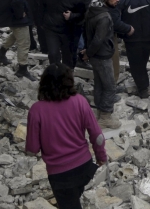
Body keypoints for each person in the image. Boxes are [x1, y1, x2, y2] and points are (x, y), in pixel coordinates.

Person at [26, 64, 108, 209]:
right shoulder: (80, 101)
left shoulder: (36, 110)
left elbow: (33, 148)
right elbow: (97, 136)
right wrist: (101, 157)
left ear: (43, 83)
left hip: (60, 175)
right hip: (85, 168)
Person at [83, 0, 133, 128]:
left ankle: (99, 112)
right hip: (102, 55)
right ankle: (105, 116)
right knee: (110, 86)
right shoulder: (104, 17)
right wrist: (88, 53)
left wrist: (88, 52)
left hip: (96, 55)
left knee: (99, 83)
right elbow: (99, 39)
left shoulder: (93, 9)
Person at [39, 0, 86, 68]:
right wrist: (40, 23)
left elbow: (82, 14)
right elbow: (41, 7)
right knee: (53, 54)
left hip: (68, 31)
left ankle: (66, 75)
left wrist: (71, 16)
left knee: (67, 57)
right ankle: (54, 73)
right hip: (51, 29)